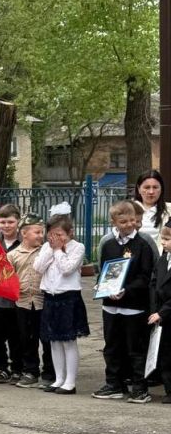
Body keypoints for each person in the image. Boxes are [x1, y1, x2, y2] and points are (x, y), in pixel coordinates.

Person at [92, 200, 155, 403]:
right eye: (123, 221)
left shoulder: (142, 244)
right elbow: (104, 271)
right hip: (111, 305)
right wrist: (102, 287)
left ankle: (139, 387)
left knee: (135, 348)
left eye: (132, 221)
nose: (128, 225)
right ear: (114, 222)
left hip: (134, 306)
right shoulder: (109, 244)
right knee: (112, 346)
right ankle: (114, 384)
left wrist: (126, 290)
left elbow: (145, 276)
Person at [35, 207, 87, 395]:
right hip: (50, 297)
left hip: (69, 299)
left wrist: (58, 250)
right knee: (54, 341)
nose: (55, 238)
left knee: (68, 341)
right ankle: (59, 378)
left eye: (59, 234)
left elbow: (67, 268)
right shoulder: (47, 247)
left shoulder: (77, 247)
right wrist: (51, 250)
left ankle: (70, 382)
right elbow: (38, 267)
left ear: (70, 233)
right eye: (51, 235)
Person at [10, 215, 49, 389]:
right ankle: (30, 370)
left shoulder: (46, 251)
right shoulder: (13, 255)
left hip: (43, 300)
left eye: (42, 232)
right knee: (26, 338)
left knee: (47, 338)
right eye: (37, 232)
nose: (41, 236)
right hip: (23, 302)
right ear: (24, 233)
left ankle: (49, 371)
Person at [0, 204, 22, 384]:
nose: (7, 226)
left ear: (18, 222)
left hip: (17, 299)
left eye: (11, 222)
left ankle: (17, 368)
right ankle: (1, 367)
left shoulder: (25, 243)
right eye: (3, 222)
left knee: (17, 336)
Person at [148, 225, 171, 404]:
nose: (163, 243)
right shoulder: (163, 259)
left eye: (167, 239)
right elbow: (154, 284)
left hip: (168, 313)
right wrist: (155, 309)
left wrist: (163, 312)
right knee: (163, 353)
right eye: (162, 239)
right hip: (161, 315)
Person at [134, 170, 171, 246]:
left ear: (161, 189)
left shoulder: (169, 210)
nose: (151, 192)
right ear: (139, 189)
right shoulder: (129, 209)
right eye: (147, 187)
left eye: (155, 187)